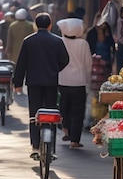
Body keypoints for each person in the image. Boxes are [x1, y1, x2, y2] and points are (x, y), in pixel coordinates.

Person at [12, 12, 70, 160]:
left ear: (35, 25)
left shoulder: (29, 41)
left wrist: (17, 83)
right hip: (51, 83)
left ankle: (36, 147)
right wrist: (54, 70)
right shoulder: (57, 41)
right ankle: (52, 149)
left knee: (34, 114)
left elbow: (21, 64)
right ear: (50, 25)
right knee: (51, 113)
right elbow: (65, 60)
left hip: (33, 83)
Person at [57, 18, 92, 149]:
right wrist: (88, 81)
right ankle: (74, 140)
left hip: (63, 80)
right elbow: (88, 65)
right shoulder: (83, 44)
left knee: (64, 107)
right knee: (77, 111)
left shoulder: (60, 42)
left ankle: (66, 130)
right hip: (79, 81)